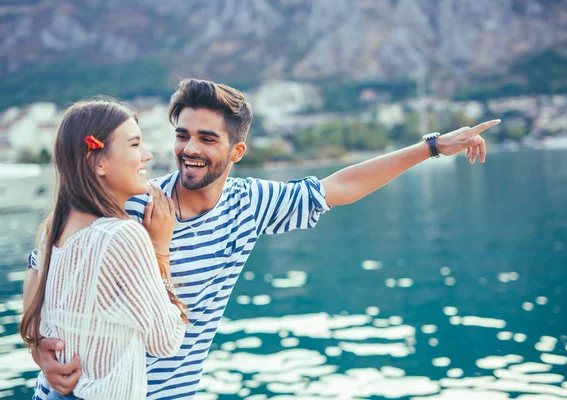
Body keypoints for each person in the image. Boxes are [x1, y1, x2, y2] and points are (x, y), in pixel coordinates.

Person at [24, 79, 500, 400]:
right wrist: (37, 343)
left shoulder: (251, 205)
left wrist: (433, 146)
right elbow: (42, 258)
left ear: (237, 150)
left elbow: (342, 187)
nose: (189, 149)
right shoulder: (135, 203)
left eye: (207, 139)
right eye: (183, 134)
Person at [20, 98, 188, 400]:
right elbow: (166, 342)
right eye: (135, 145)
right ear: (97, 161)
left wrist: (35, 347)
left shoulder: (53, 231)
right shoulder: (121, 236)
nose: (147, 155)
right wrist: (160, 249)